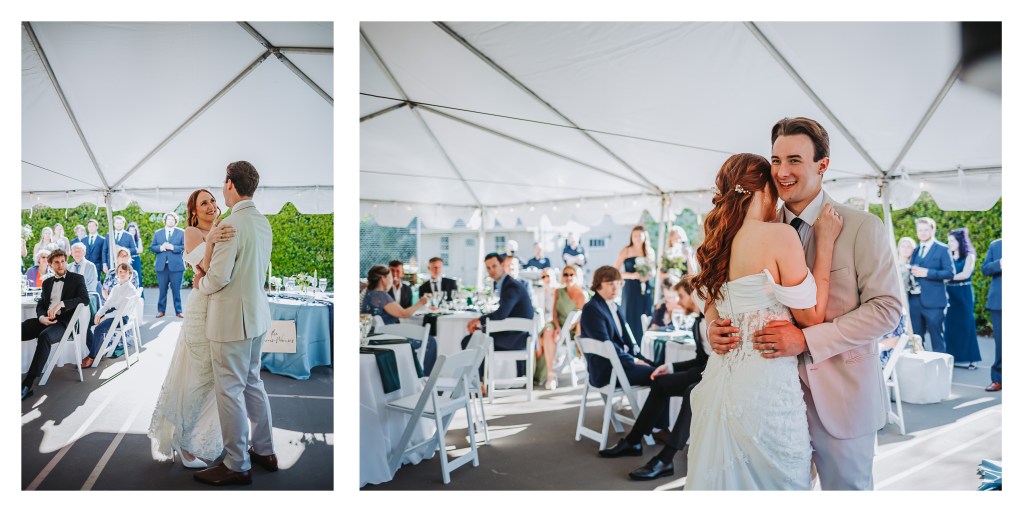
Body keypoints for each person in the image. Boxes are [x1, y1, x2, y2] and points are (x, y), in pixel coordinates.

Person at [708, 118, 902, 490]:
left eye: (794, 160)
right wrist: (711, 328)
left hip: (842, 399)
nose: (781, 172)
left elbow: (886, 309)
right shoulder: (753, 228)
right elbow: (718, 294)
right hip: (770, 400)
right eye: (776, 160)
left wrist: (807, 340)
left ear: (822, 165)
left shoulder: (862, 227)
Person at [191, 161, 278, 486]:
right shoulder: (262, 222)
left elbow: (217, 278)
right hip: (257, 317)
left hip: (231, 322)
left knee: (229, 391)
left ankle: (237, 463)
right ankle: (266, 451)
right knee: (253, 383)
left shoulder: (230, 224)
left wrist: (200, 283)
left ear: (230, 184)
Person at [150, 188, 234, 470]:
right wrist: (211, 240)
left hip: (222, 307)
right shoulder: (191, 232)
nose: (210, 206)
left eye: (212, 200)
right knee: (199, 376)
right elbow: (207, 267)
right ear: (194, 211)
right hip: (202, 309)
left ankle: (207, 436)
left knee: (217, 379)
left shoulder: (225, 227)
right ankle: (184, 444)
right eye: (203, 203)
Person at [599, 278, 709, 481]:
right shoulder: (697, 322)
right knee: (660, 382)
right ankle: (633, 441)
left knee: (692, 392)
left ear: (695, 295)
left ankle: (666, 460)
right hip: (703, 372)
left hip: (714, 378)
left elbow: (712, 364)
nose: (678, 301)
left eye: (681, 296)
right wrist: (670, 367)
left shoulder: (711, 321)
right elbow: (700, 360)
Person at [21, 249, 90, 400]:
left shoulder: (77, 279)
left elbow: (85, 299)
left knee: (44, 337)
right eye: (56, 262)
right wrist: (41, 318)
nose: (60, 265)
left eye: (63, 261)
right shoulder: (47, 283)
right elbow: (41, 304)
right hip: (46, 320)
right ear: (50, 265)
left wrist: (62, 304)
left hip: (64, 323)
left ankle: (27, 384)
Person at [579, 265, 657, 389]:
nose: (615, 288)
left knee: (663, 368)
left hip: (622, 364)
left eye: (618, 283)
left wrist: (641, 359)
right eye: (610, 284)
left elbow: (628, 340)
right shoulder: (592, 308)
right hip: (608, 371)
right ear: (598, 285)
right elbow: (606, 344)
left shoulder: (616, 306)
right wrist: (634, 361)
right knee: (660, 376)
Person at [460, 252, 535, 380]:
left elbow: (501, 314)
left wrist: (479, 320)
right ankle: (482, 380)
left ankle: (479, 382)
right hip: (515, 334)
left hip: (516, 339)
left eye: (494, 266)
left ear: (502, 265)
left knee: (471, 340)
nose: (492, 271)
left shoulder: (511, 286)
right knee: (478, 336)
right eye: (488, 268)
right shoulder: (506, 284)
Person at [361, 265, 437, 374]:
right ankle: (423, 376)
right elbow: (404, 314)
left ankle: (410, 372)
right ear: (383, 278)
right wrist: (420, 303)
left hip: (373, 336)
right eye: (390, 277)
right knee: (430, 341)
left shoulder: (368, 294)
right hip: (388, 337)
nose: (392, 280)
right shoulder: (381, 295)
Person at [908, 217, 954, 353]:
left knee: (937, 339)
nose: (922, 233)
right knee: (916, 340)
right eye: (920, 230)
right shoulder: (915, 250)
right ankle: (919, 365)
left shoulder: (942, 249)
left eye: (926, 230)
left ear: (933, 230)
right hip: (915, 302)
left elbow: (950, 273)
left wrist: (927, 272)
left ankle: (940, 366)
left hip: (934, 302)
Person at [536, 264, 585, 390]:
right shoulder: (558, 291)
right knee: (547, 331)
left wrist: (564, 331)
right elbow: (554, 313)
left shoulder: (581, 295)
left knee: (547, 336)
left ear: (576, 276)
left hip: (571, 330)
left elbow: (580, 319)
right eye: (565, 274)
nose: (568, 277)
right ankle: (550, 374)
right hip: (557, 324)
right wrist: (558, 328)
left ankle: (548, 373)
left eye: (571, 274)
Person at [82, 263, 138, 368]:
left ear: (130, 274)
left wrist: (105, 317)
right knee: (86, 325)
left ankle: (91, 357)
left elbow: (122, 312)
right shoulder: (116, 287)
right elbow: (108, 304)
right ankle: (98, 351)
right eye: (120, 271)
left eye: (125, 272)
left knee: (99, 328)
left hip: (121, 317)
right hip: (112, 313)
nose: (122, 274)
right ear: (117, 273)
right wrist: (98, 314)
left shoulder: (131, 289)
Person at [944, 228, 981, 369]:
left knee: (967, 324)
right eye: (949, 241)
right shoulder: (949, 255)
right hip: (950, 293)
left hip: (964, 293)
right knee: (950, 325)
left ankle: (972, 359)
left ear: (960, 241)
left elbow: (965, 274)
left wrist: (948, 277)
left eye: (952, 241)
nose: (949, 243)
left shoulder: (969, 256)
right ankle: (954, 357)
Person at [615, 225, 655, 344]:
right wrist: (632, 276)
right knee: (630, 314)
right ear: (631, 237)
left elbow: (653, 271)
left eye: (639, 235)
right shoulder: (626, 250)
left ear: (644, 236)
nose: (637, 238)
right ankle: (631, 344)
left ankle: (645, 344)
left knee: (645, 313)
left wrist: (647, 275)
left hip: (644, 287)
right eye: (635, 236)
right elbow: (616, 271)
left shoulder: (649, 251)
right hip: (630, 288)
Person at [150, 212, 186, 318]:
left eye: (172, 220)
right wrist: (160, 248)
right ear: (165, 221)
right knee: (162, 290)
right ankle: (161, 311)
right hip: (162, 267)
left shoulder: (181, 232)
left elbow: (185, 247)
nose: (170, 221)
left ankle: (179, 311)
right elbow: (152, 247)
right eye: (168, 219)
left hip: (176, 267)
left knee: (176, 290)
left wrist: (173, 247)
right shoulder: (158, 233)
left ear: (175, 221)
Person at [981, 238, 1001, 392]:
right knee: (1002, 343)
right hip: (999, 302)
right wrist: (1000, 263)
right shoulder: (996, 245)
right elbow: (985, 269)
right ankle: (998, 379)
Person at [68, 242, 99, 308]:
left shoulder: (90, 266)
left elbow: (92, 285)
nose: (77, 254)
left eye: (79, 251)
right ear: (71, 253)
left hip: (86, 297)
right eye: (75, 251)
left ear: (84, 253)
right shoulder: (68, 267)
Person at [127, 221, 145, 287]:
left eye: (133, 230)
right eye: (130, 230)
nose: (132, 232)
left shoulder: (138, 239)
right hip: (127, 260)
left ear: (136, 231)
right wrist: (134, 250)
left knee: (137, 276)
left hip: (136, 259)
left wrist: (129, 250)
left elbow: (140, 250)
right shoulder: (126, 239)